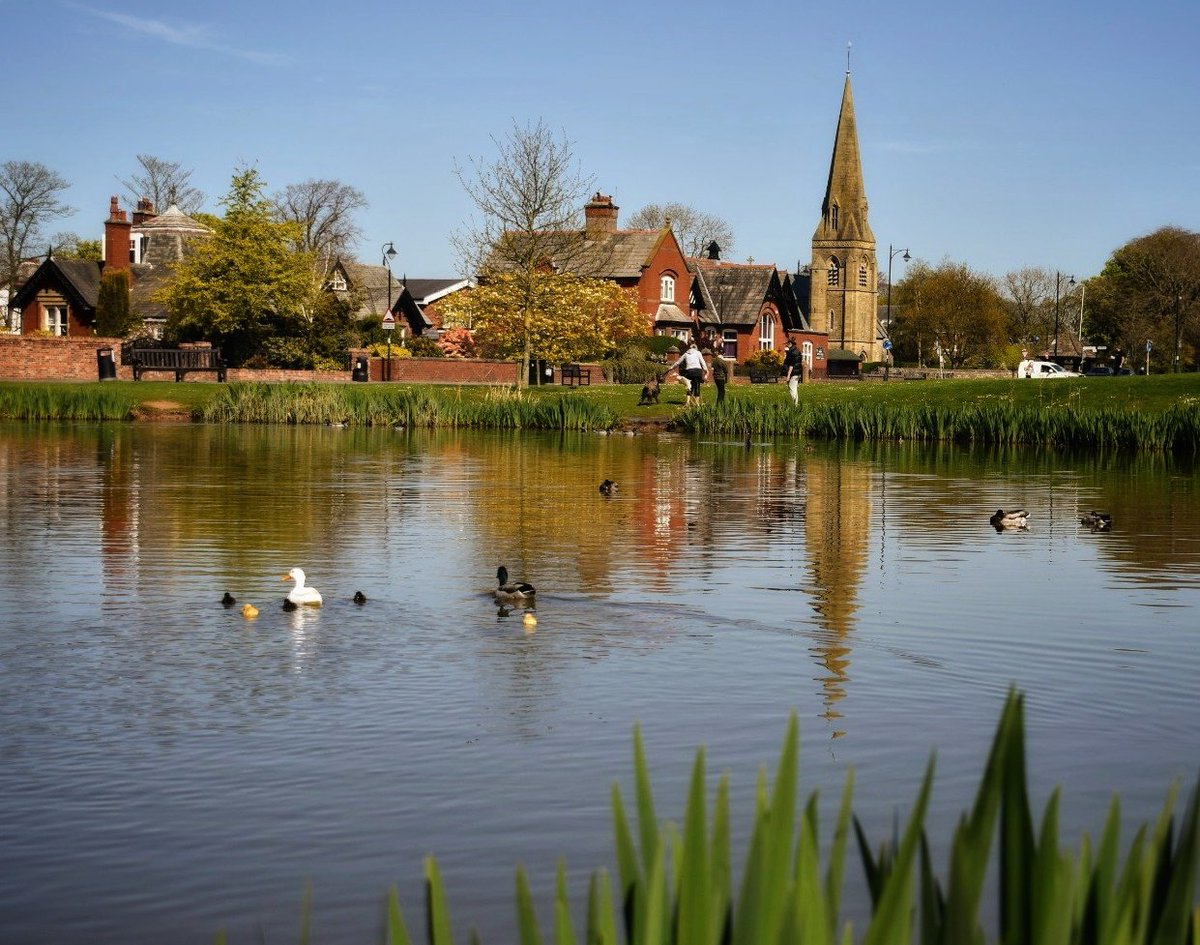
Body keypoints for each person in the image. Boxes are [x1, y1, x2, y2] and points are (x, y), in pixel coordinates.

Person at [670, 342, 709, 407]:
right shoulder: (698, 353)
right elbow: (702, 362)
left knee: (689, 386)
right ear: (696, 348)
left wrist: (671, 367)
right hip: (697, 371)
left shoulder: (686, 354)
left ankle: (687, 402)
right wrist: (706, 370)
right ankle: (697, 403)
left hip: (689, 371)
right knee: (697, 386)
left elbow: (678, 362)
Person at [782, 336, 802, 404]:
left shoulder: (791, 352)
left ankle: (795, 404)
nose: (785, 345)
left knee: (791, 388)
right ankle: (796, 404)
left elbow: (791, 365)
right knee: (794, 388)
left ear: (790, 343)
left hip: (793, 373)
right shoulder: (797, 350)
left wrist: (788, 375)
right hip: (797, 373)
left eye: (786, 343)